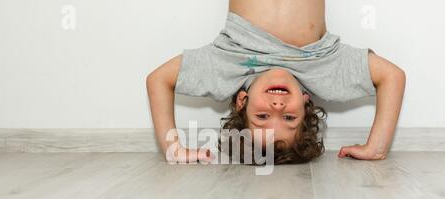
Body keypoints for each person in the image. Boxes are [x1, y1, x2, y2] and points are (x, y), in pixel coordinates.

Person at [146, 0, 406, 164]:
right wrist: (376, 147)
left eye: (262, 115)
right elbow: (392, 76)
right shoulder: (325, 72)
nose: (277, 107)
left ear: (241, 102)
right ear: (306, 104)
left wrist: (174, 149)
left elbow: (158, 79)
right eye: (289, 119)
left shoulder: (224, 68)